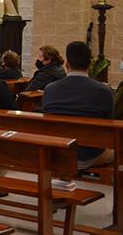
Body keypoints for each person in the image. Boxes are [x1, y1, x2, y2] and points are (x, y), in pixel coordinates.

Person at [43, 41, 115, 171]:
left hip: (58, 152)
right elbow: (109, 124)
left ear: (67, 64)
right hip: (89, 157)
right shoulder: (103, 91)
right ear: (89, 64)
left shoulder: (50, 89)